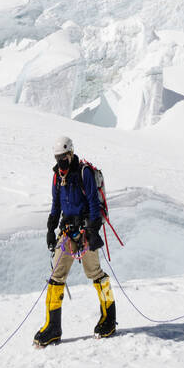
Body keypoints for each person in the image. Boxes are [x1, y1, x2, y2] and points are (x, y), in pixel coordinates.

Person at [33, 135, 117, 347]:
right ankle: (53, 328)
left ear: (71, 154)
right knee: (56, 276)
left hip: (85, 230)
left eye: (63, 157)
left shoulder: (83, 172)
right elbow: (56, 204)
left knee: (95, 273)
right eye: (57, 157)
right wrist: (51, 228)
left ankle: (108, 319)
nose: (60, 161)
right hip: (67, 231)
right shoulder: (56, 177)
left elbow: (92, 202)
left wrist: (91, 230)